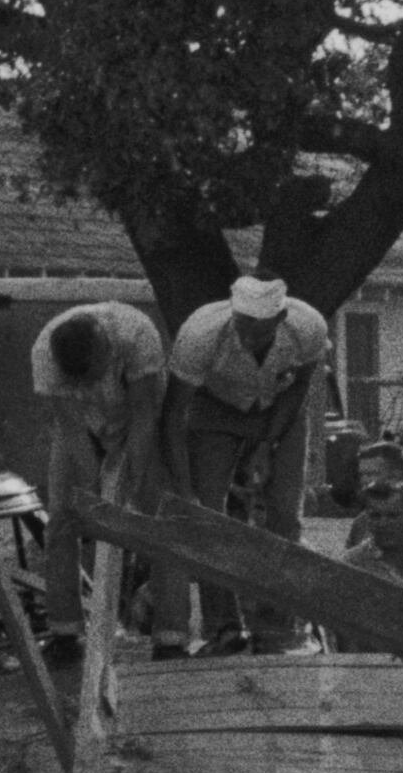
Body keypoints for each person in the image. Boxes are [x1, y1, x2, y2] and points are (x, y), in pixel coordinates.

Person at [159, 274, 331, 655]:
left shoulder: (308, 327)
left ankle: (276, 627)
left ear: (281, 318)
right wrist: (184, 489)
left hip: (279, 407)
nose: (249, 337)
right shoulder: (200, 334)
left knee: (285, 514)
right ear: (233, 313)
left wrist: (268, 444)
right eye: (243, 326)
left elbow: (300, 388)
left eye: (260, 329)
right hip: (215, 409)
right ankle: (224, 627)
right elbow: (173, 414)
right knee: (208, 514)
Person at [30, 300, 165, 659]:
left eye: (93, 375)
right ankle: (65, 632)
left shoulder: (137, 335)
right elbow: (72, 430)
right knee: (61, 518)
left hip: (135, 420)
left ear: (106, 349)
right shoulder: (44, 355)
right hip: (83, 423)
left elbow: (145, 413)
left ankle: (170, 635)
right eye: (81, 381)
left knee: (160, 517)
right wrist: (95, 497)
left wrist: (132, 484)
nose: (89, 384)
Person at [338, 479, 403, 592]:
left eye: (393, 516)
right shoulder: (353, 562)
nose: (383, 523)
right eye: (375, 516)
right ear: (366, 518)